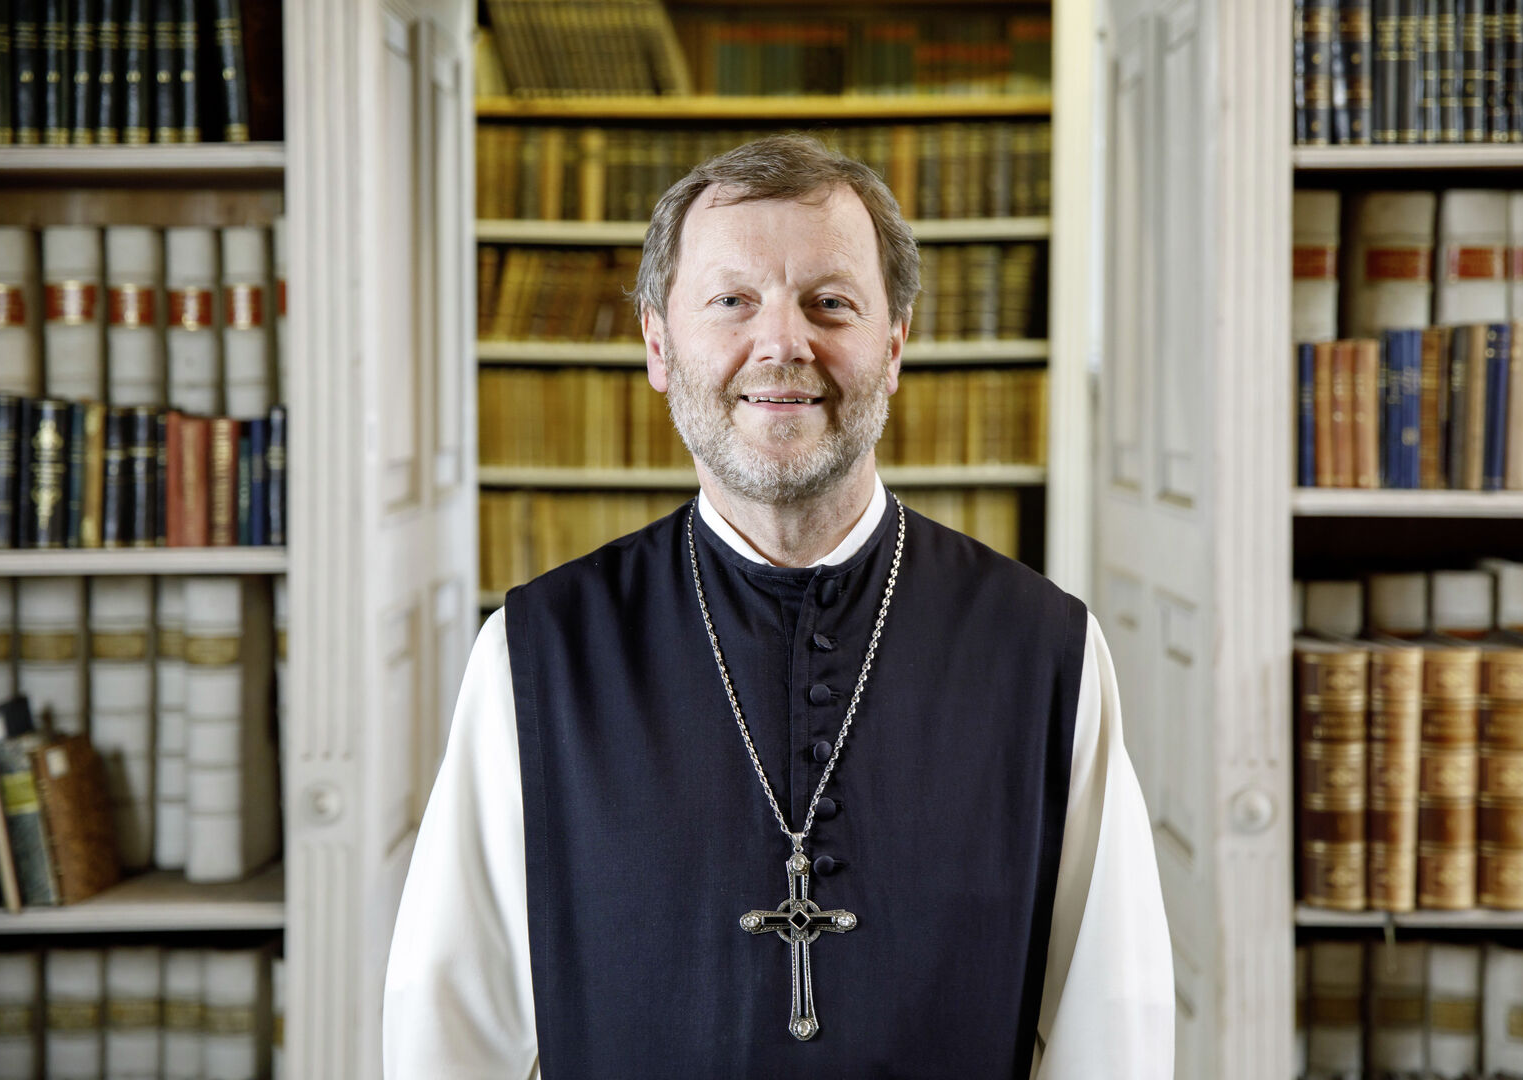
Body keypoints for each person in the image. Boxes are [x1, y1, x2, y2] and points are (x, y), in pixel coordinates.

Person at [382, 134, 1173, 1079]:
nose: (783, 344)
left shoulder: (1046, 653)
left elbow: (1110, 1030)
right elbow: (446, 1030)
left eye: (830, 303)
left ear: (894, 345)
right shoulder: (536, 655)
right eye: (732, 301)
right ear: (658, 345)